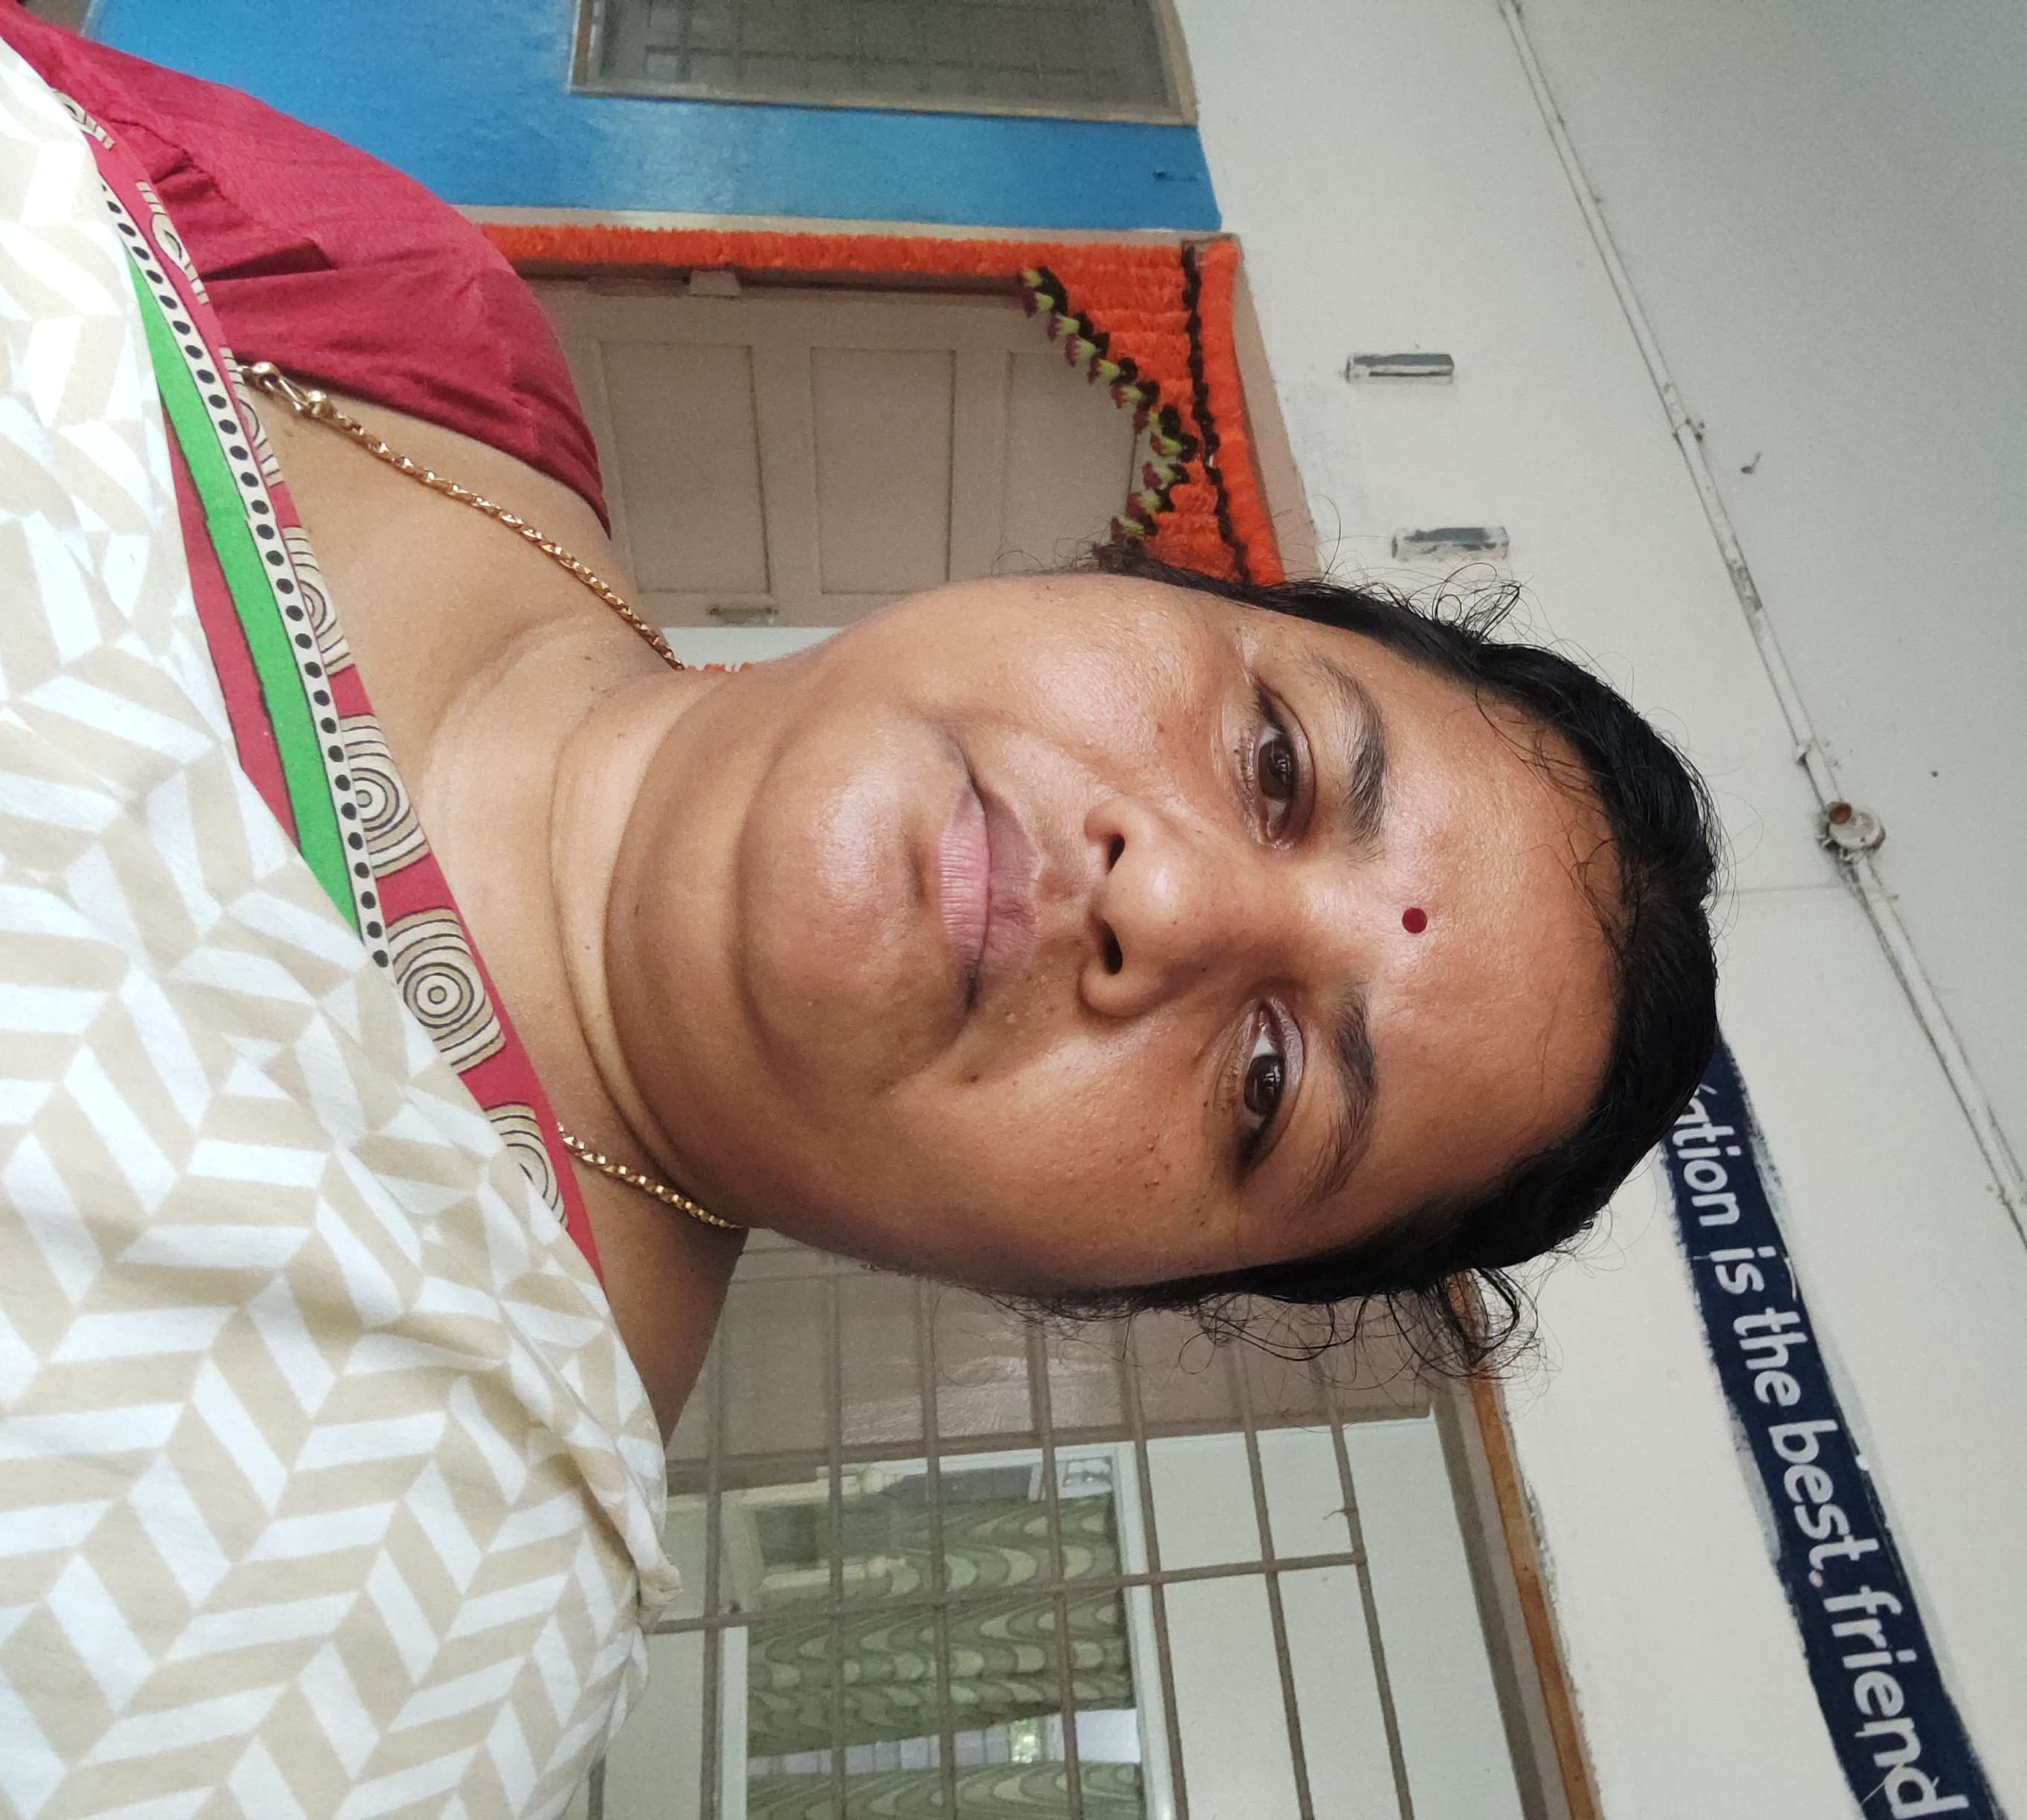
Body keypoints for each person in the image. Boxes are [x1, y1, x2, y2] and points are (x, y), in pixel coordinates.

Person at [0, 9, 1718, 1813]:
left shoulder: (397, 1639)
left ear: (1110, 1287)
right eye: (1277, 763)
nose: (1170, 900)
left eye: (1270, 1086)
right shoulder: (412, 316)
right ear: (1173, 589)